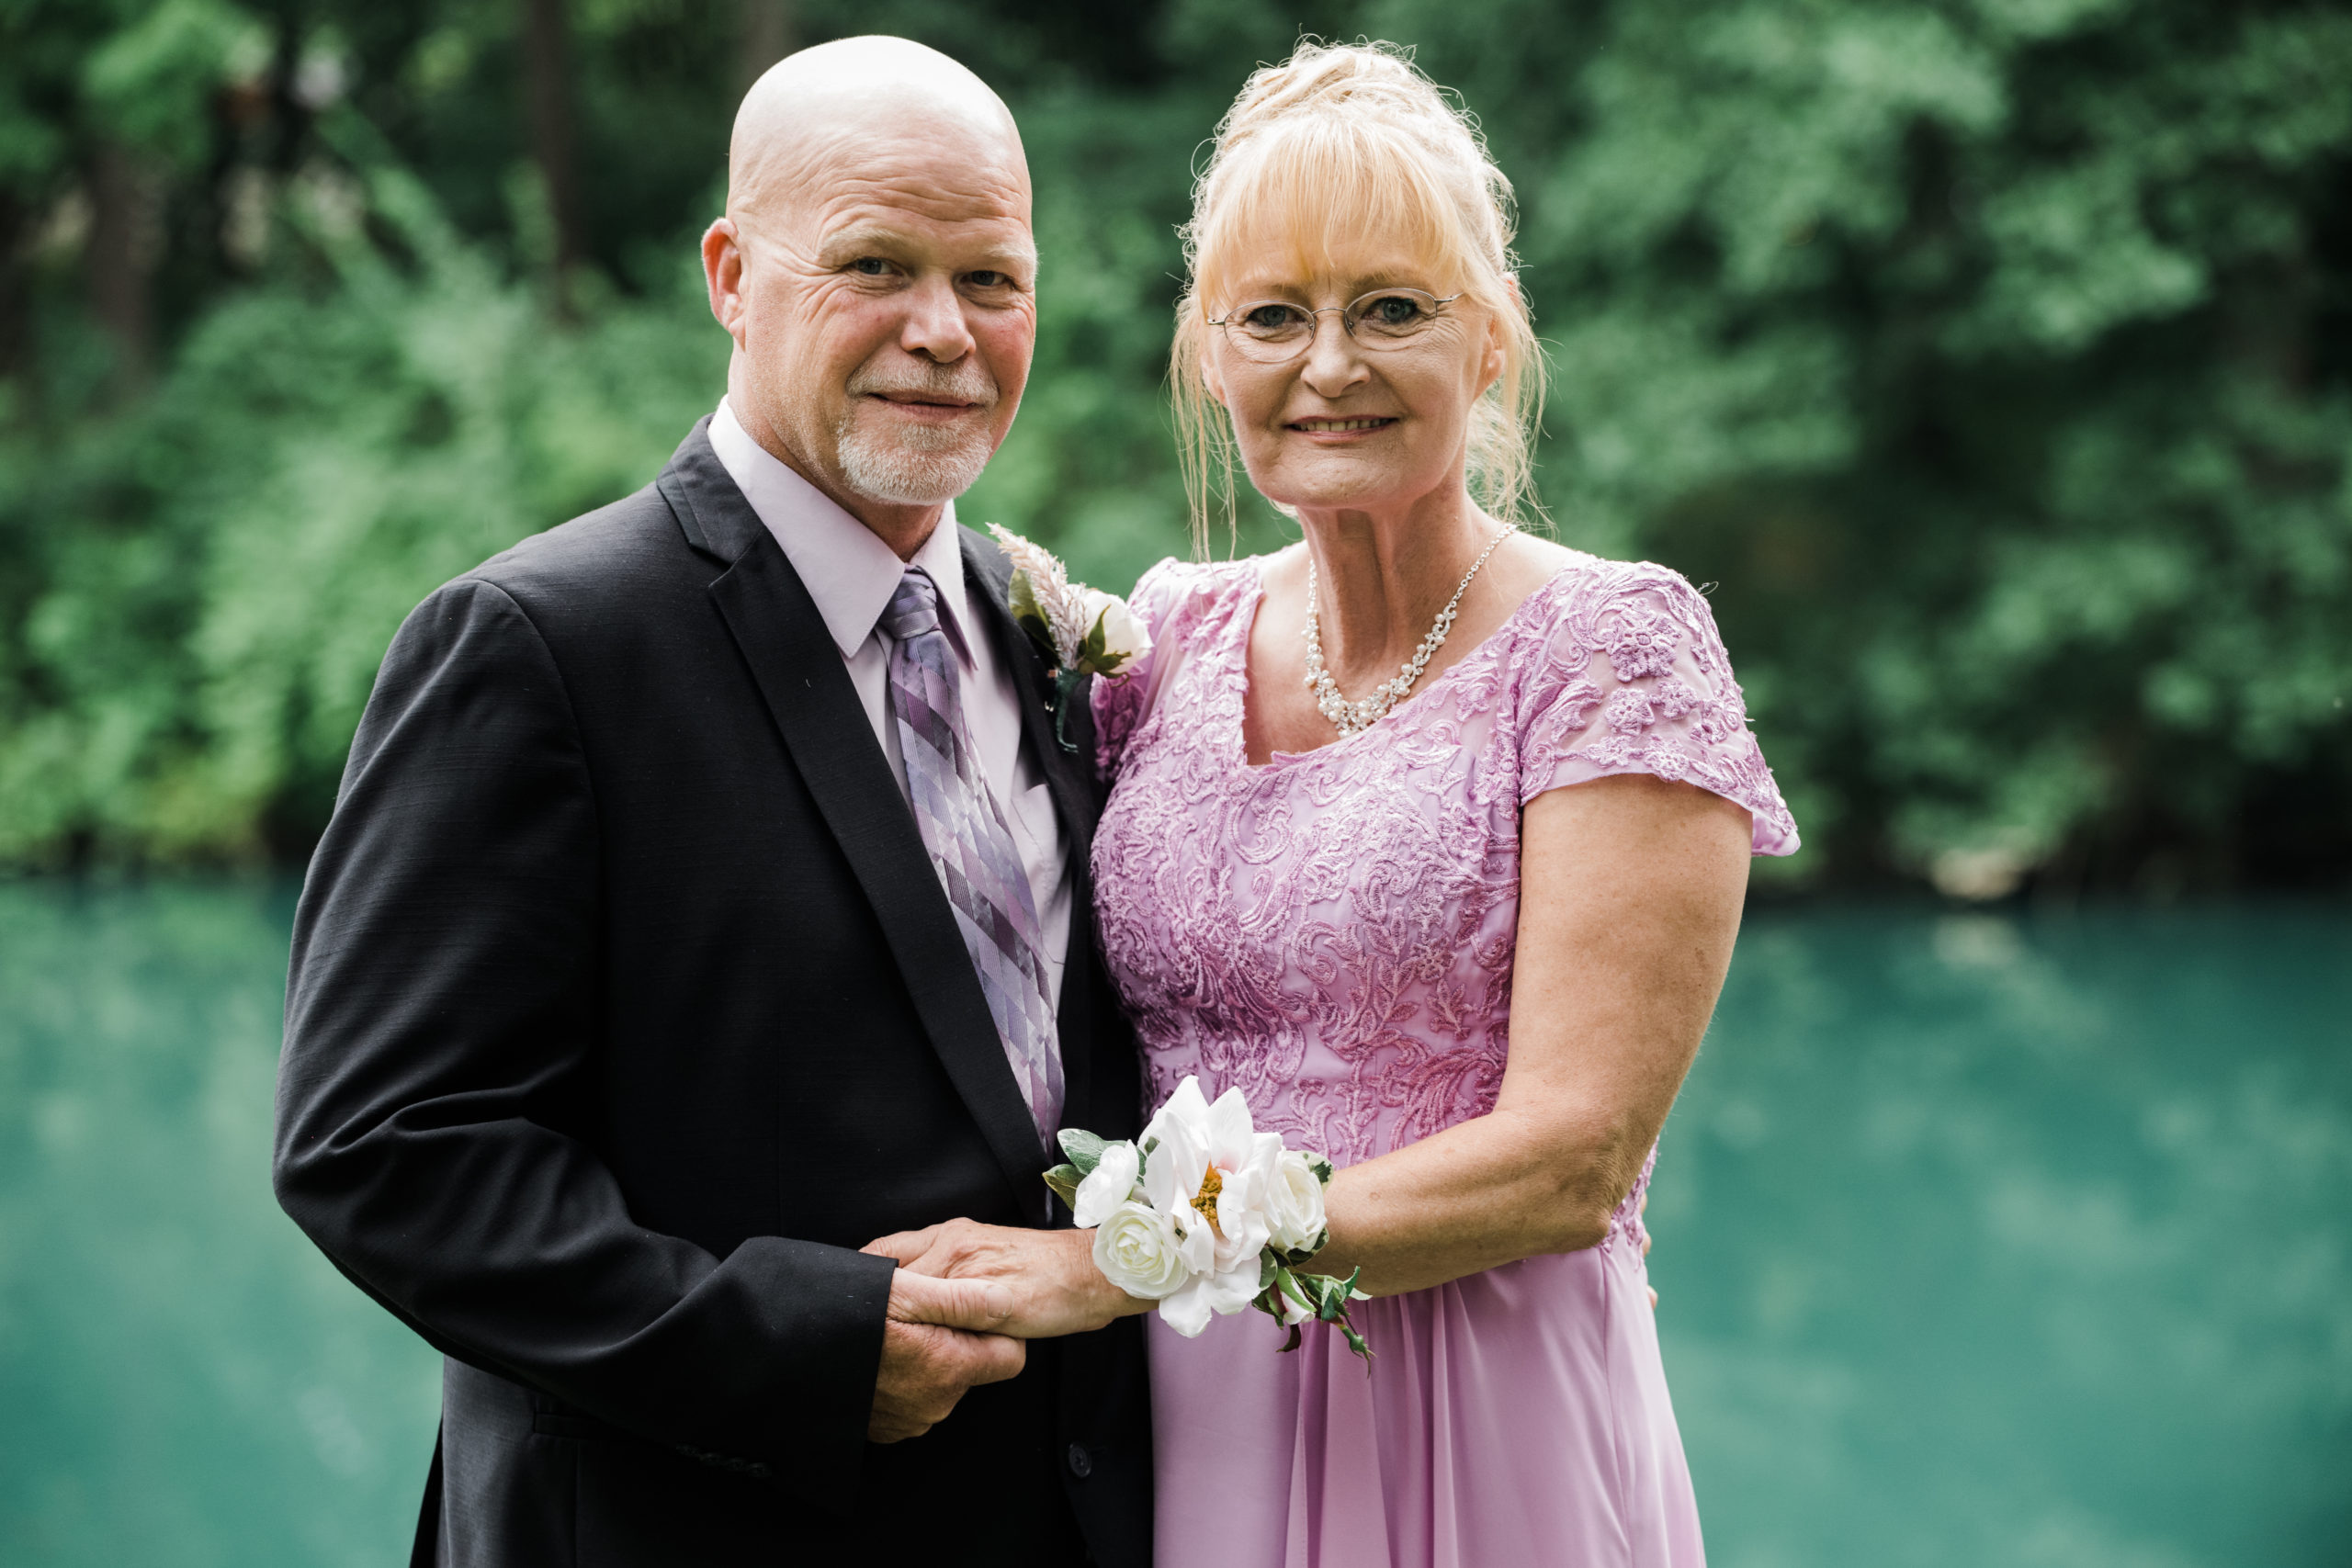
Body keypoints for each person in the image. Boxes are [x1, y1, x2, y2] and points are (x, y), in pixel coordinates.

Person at [892, 39, 1803, 1568]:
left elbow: (1572, 1160)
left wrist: (1115, 1264)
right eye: (1273, 317)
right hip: (1174, 1418)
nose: (1328, 366)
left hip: (1477, 1398)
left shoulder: (1612, 650)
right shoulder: (1158, 643)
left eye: (1392, 309)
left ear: (1491, 341)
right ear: (1210, 356)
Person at [272, 37, 1151, 1567]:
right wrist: (793, 1342)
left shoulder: (1042, 627)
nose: (944, 332)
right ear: (733, 275)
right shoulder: (539, 644)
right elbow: (383, 1146)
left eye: (993, 280)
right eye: (876, 263)